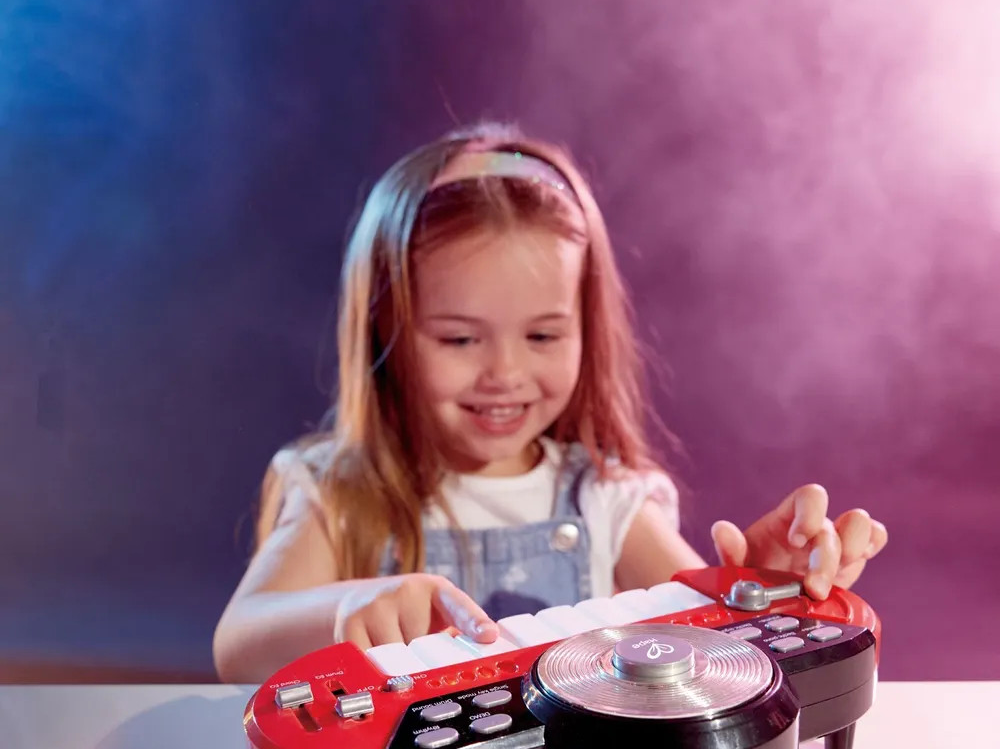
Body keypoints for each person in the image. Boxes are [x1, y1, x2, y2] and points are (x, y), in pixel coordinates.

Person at [213, 122, 887, 684]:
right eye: (459, 339)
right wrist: (348, 609)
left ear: (586, 329)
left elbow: (713, 648)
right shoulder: (339, 492)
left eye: (542, 336)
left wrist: (761, 592)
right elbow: (237, 645)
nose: (504, 373)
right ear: (382, 328)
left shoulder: (605, 499)